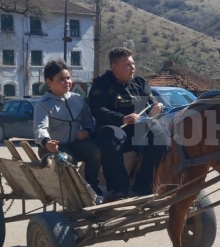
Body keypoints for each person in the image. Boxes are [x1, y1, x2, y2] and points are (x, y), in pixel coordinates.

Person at [88, 47, 165, 201]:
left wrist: (155, 110)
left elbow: (151, 104)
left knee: (160, 135)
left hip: (139, 130)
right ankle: (119, 188)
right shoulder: (101, 84)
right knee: (109, 136)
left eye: (133, 64)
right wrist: (121, 118)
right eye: (127, 65)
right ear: (114, 67)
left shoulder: (140, 83)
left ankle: (144, 185)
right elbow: (97, 109)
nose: (133, 68)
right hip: (115, 130)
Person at [33, 59, 102, 192]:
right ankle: (73, 192)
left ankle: (91, 186)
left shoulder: (77, 99)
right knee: (67, 159)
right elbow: (40, 129)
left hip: (75, 144)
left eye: (68, 78)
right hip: (53, 148)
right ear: (49, 82)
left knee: (95, 151)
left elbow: (88, 121)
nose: (67, 82)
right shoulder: (43, 104)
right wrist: (47, 143)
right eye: (61, 79)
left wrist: (87, 131)